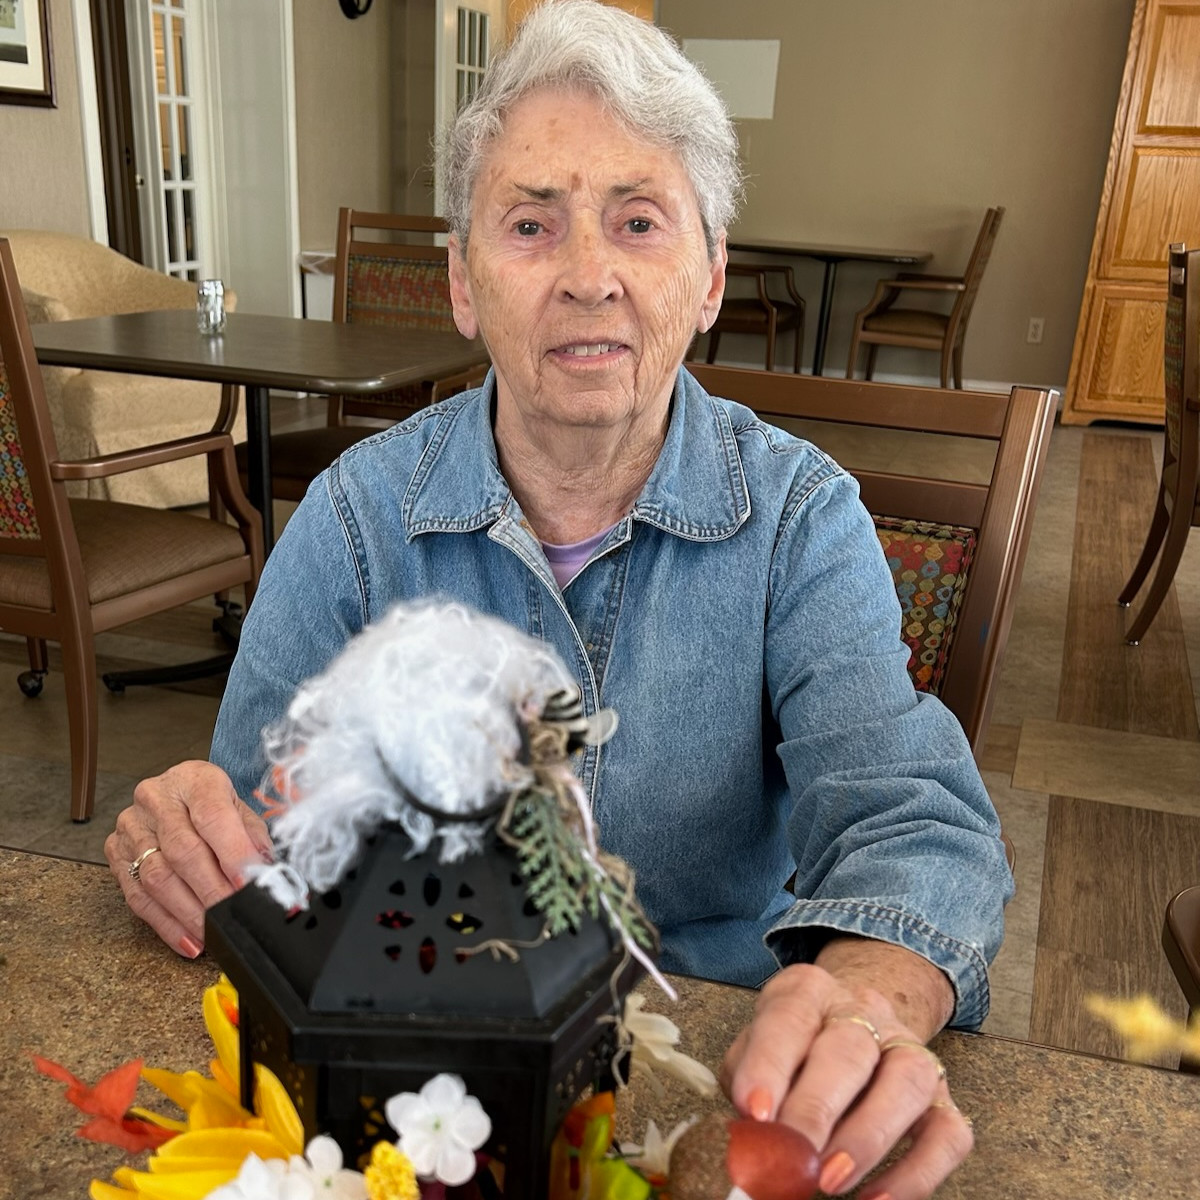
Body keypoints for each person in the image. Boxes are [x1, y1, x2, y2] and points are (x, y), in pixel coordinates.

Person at [106, 3, 1008, 1196]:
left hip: (713, 1081)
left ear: (708, 276)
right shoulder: (354, 517)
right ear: (464, 285)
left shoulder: (802, 520)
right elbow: (260, 835)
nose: (589, 276)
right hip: (425, 1093)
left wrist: (868, 997)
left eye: (639, 221)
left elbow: (914, 823)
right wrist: (184, 833)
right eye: (531, 225)